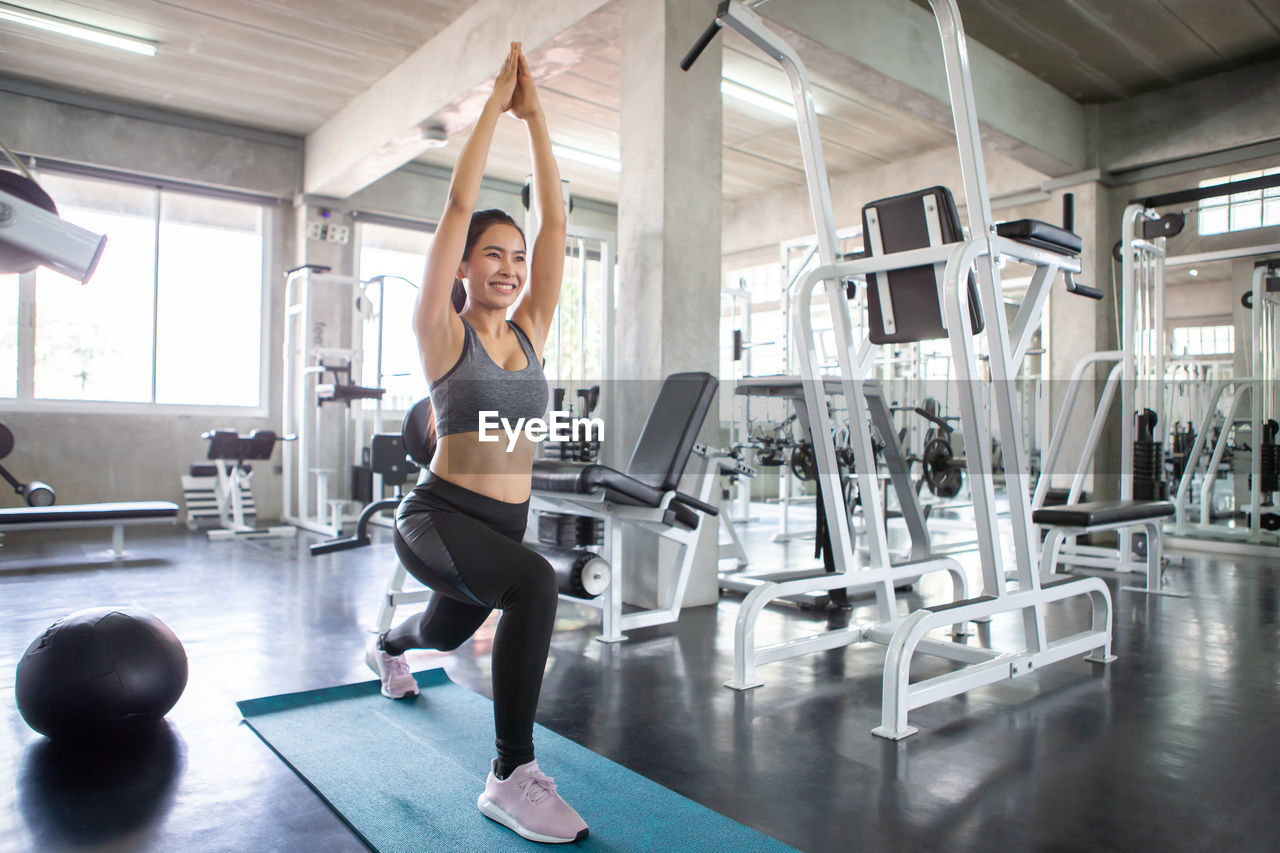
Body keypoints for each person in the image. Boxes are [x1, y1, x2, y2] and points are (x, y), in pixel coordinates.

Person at [364, 42, 586, 844]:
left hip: (501, 523)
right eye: (493, 253)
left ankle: (386, 644)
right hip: (437, 515)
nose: (510, 266)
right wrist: (495, 106)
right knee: (534, 584)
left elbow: (557, 218)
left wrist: (541, 121)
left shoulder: (529, 331)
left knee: (442, 633)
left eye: (517, 257)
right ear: (462, 266)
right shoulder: (440, 331)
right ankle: (510, 774)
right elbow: (457, 206)